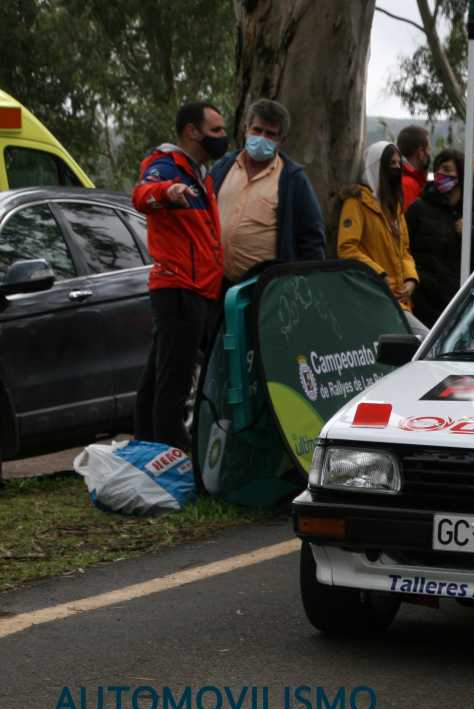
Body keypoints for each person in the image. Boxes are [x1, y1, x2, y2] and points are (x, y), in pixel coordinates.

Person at [131, 100, 227, 450]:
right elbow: (142, 196)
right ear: (191, 131)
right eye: (215, 130)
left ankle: (146, 449)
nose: (222, 136)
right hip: (179, 288)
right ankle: (171, 454)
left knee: (158, 378)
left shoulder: (200, 175)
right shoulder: (166, 166)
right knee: (174, 384)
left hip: (198, 289)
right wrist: (166, 192)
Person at [210, 99, 325, 283]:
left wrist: (307, 284)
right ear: (246, 129)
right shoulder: (222, 168)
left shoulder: (293, 179)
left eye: (270, 134)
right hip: (216, 283)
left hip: (266, 287)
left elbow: (311, 239)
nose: (261, 137)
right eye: (257, 130)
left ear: (282, 140)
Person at [337, 141, 425, 334]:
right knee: (424, 339)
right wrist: (379, 275)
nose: (396, 168)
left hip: (400, 299)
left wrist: (411, 280)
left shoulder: (395, 206)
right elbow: (347, 248)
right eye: (391, 163)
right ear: (376, 167)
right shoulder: (356, 202)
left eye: (398, 163)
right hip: (374, 296)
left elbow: (404, 250)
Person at [406, 148, 474, 325]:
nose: (440, 173)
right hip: (422, 305)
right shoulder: (419, 208)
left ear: (461, 176)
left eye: (447, 169)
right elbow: (404, 250)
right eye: (438, 169)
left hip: (460, 309)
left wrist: (471, 235)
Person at [397, 125, 431, 210]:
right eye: (429, 149)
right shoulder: (408, 185)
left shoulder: (403, 177)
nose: (430, 153)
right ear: (421, 152)